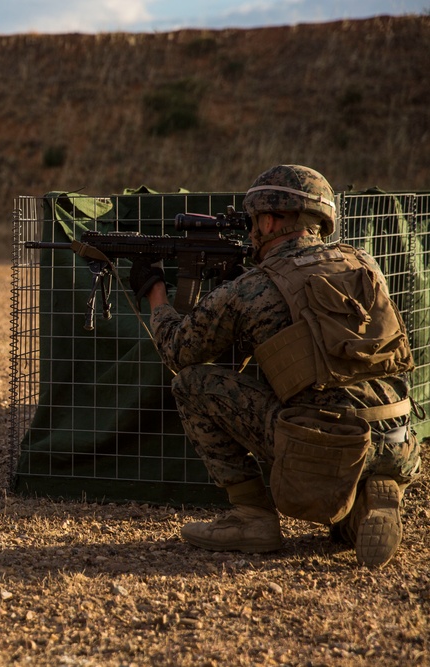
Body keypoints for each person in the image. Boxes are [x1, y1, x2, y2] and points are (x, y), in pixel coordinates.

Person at [128, 164, 421, 568]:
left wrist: (156, 294)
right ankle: (368, 500)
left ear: (269, 219)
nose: (250, 231)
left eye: (252, 222)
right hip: (399, 436)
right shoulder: (363, 264)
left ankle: (252, 518)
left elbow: (180, 351)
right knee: (341, 527)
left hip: (327, 444)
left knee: (191, 384)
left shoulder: (252, 287)